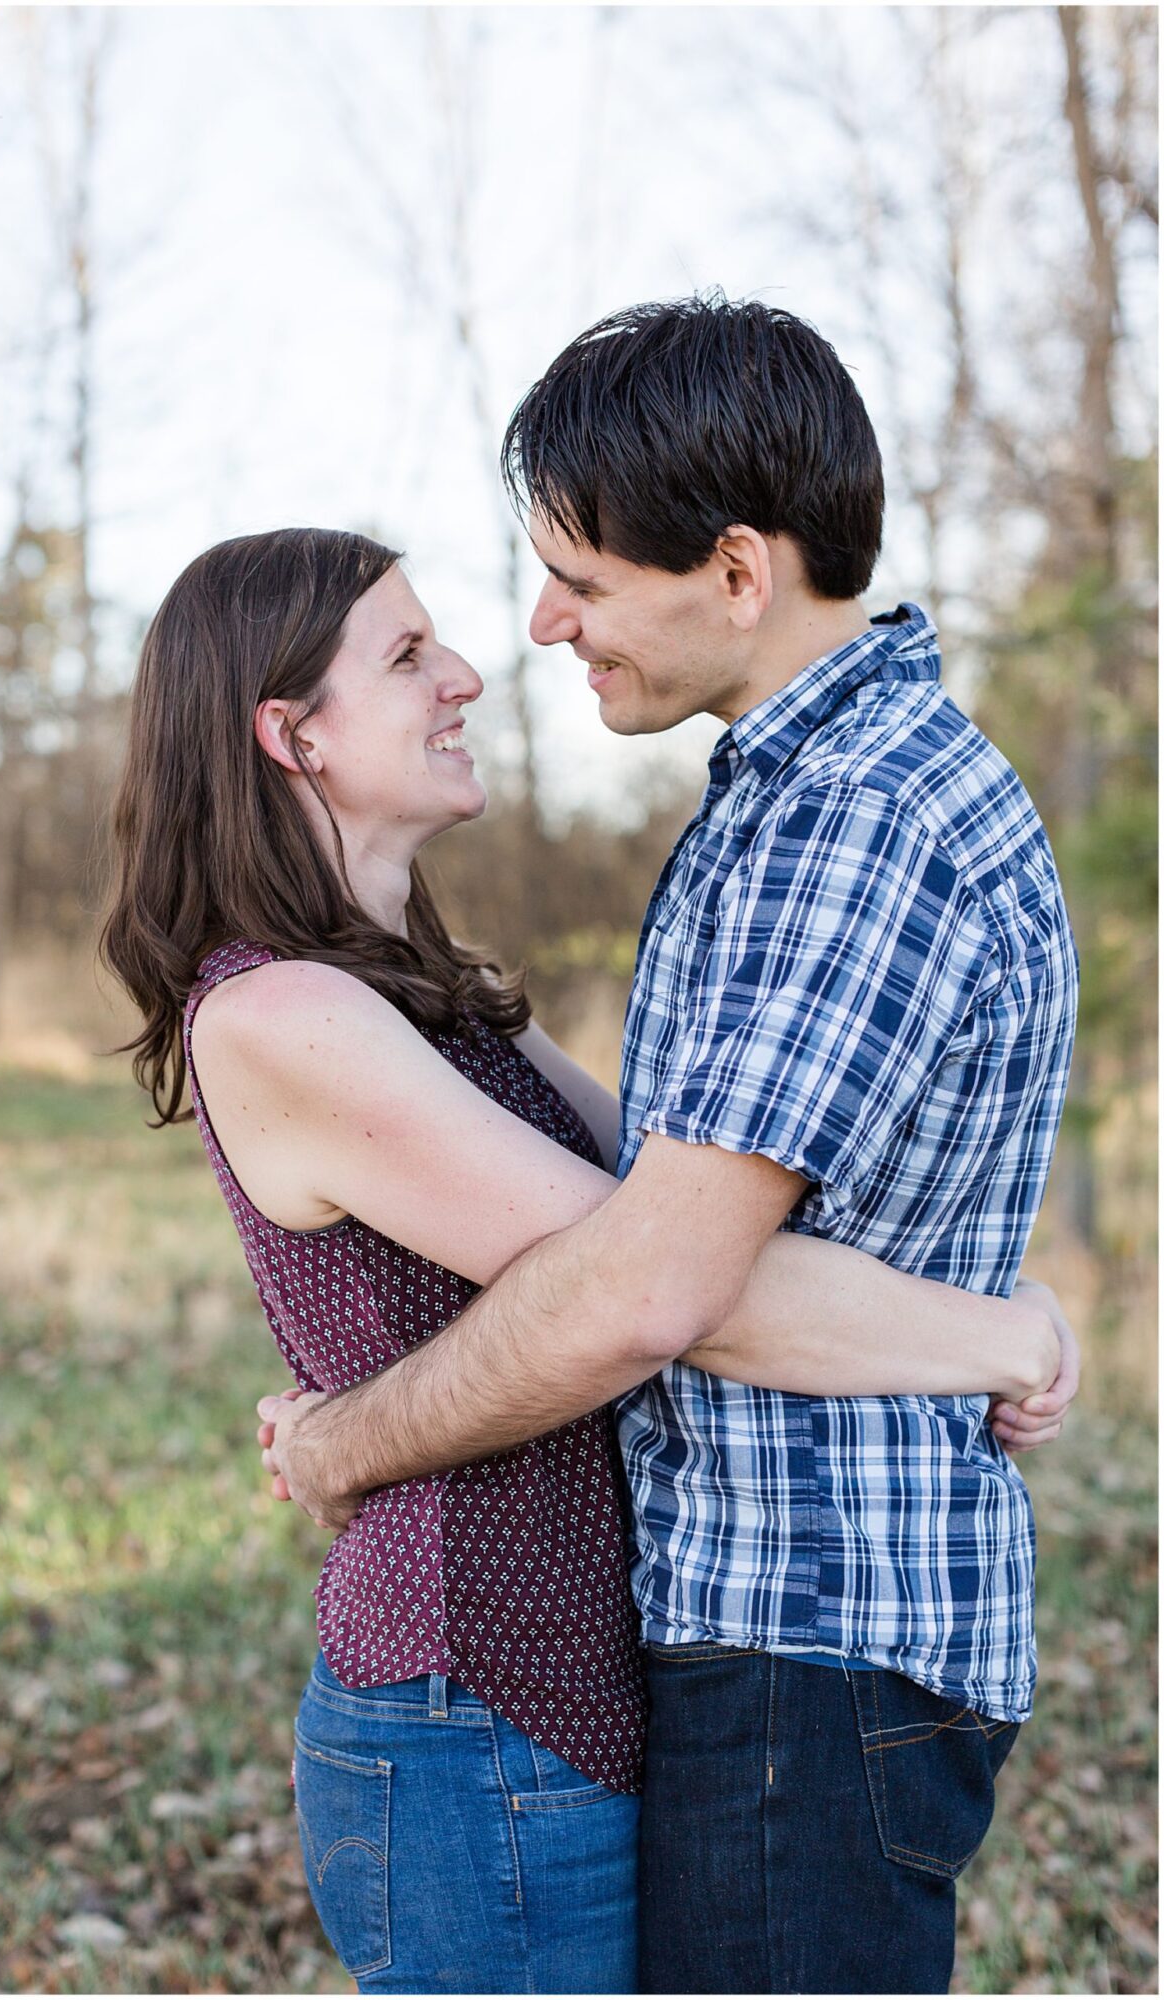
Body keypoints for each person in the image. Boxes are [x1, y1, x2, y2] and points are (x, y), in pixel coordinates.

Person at [256, 296, 1081, 1996]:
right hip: (783, 1633)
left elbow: (649, 1284)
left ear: (732, 572)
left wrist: (345, 1444)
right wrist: (999, 1329)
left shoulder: (847, 826)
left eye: (583, 577)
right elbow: (657, 1192)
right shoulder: (797, 797)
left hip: (809, 1635)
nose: (543, 626)